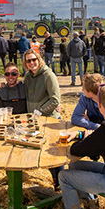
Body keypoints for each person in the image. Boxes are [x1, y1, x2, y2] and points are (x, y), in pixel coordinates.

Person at [23, 49, 61, 188]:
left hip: (49, 120)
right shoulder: (27, 77)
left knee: (55, 156)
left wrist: (40, 111)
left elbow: (55, 99)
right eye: (29, 61)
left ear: (39, 60)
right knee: (44, 155)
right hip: (35, 122)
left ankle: (60, 184)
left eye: (34, 59)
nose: (32, 63)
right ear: (25, 63)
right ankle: (56, 182)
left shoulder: (48, 75)